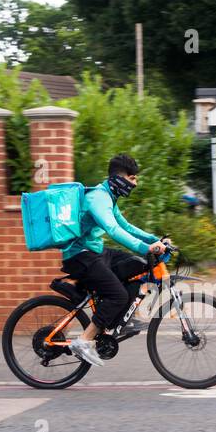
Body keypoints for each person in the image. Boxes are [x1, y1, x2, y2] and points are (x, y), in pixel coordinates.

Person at [61, 154, 167, 366]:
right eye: (133, 178)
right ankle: (84, 340)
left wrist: (156, 240)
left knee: (138, 265)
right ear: (120, 178)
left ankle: (123, 320)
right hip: (79, 255)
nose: (135, 183)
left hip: (95, 251)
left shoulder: (108, 196)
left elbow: (127, 226)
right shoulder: (98, 197)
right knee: (117, 295)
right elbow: (113, 229)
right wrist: (146, 247)